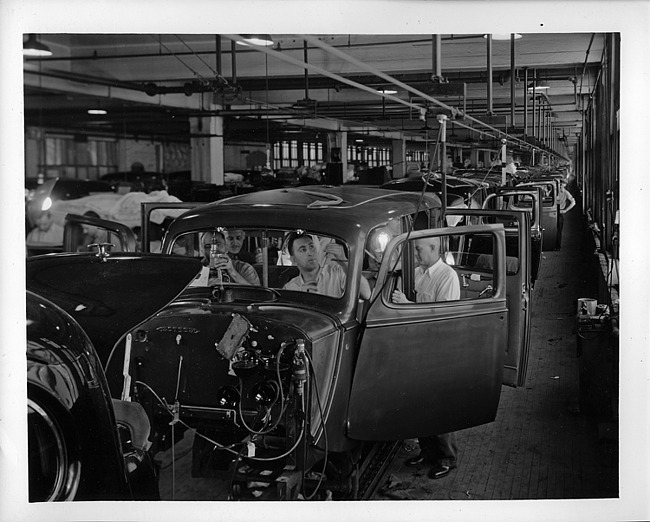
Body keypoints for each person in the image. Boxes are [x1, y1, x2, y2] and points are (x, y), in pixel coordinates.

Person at [391, 236, 461, 480]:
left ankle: (447, 458)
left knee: (439, 405)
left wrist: (408, 304)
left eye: (419, 250)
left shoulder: (447, 277)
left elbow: (442, 316)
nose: (417, 255)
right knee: (421, 402)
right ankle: (428, 451)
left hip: (439, 348)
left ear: (434, 248)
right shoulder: (419, 273)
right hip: (419, 345)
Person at [282, 232, 371, 299]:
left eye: (311, 247)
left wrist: (344, 262)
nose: (309, 252)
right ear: (294, 260)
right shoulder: (290, 288)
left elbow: (366, 294)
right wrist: (302, 299)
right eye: (303, 250)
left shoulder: (337, 273)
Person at [556, 179, 576, 249]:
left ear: (565, 185)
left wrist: (565, 210)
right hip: (551, 212)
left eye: (563, 184)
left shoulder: (566, 193)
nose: (561, 185)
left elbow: (573, 202)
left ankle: (557, 246)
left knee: (558, 230)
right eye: (560, 183)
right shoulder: (553, 191)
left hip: (560, 213)